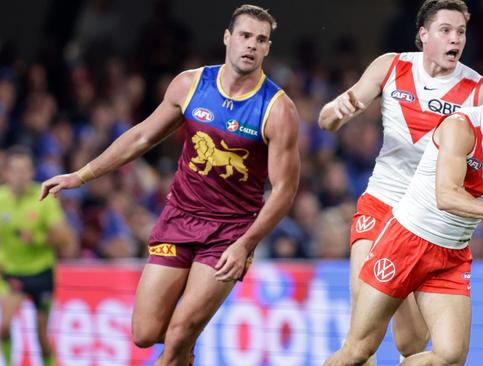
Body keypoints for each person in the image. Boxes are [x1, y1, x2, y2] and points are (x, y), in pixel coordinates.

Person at [40, 4, 300, 365]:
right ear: (227, 38)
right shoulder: (190, 84)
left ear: (267, 48)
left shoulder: (277, 110)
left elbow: (285, 190)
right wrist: (80, 175)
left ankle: (182, 343)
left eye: (260, 39)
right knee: (145, 333)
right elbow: (141, 137)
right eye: (244, 36)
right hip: (179, 219)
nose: (251, 45)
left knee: (178, 334)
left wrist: (246, 244)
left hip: (229, 233)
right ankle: (184, 348)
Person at [324, 43, 483, 366]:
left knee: (450, 356)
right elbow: (446, 195)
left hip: (451, 255)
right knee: (358, 350)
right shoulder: (461, 126)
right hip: (404, 241)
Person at [318, 0, 483, 361]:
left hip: (425, 224)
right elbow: (328, 119)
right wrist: (337, 113)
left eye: (461, 32)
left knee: (411, 343)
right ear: (423, 35)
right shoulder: (391, 66)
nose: (455, 38)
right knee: (362, 337)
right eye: (445, 30)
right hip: (381, 205)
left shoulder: (477, 90)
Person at [0, 145, 79, 366]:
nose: (19, 176)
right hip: (13, 274)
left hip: (42, 273)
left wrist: (36, 238)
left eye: (24, 170)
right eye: (15, 170)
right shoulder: (1, 199)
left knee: (42, 338)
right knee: (4, 326)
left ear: (32, 173)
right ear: (6, 173)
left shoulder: (44, 196)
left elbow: (66, 240)